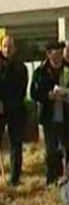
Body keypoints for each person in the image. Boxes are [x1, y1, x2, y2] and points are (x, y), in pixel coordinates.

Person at [31, 40, 69, 185]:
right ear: (48, 54)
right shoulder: (40, 71)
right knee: (51, 150)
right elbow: (33, 93)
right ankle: (52, 178)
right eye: (55, 53)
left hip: (68, 114)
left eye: (60, 53)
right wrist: (47, 96)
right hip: (49, 116)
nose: (58, 56)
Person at [0, 36, 28, 187]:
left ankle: (14, 179)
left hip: (15, 110)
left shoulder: (21, 68)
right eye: (4, 46)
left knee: (16, 145)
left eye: (10, 46)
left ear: (15, 48)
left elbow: (22, 90)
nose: (7, 49)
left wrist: (11, 104)